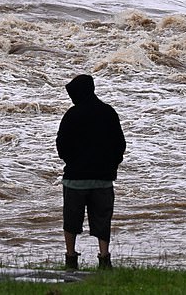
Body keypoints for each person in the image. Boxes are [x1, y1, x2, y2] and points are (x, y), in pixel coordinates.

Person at [56, 74, 126, 270]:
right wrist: (112, 165)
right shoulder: (108, 112)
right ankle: (104, 258)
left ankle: (71, 258)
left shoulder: (71, 115)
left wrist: (72, 162)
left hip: (75, 179)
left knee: (71, 221)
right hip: (103, 179)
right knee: (103, 220)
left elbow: (61, 145)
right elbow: (119, 144)